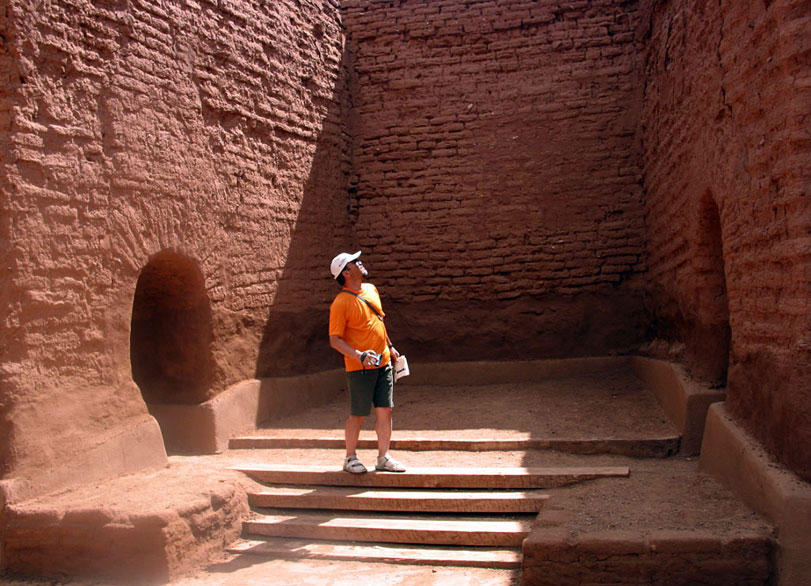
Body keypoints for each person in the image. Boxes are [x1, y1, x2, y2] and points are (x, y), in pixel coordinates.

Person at [328, 250, 406, 474]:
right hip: (359, 368)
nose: (360, 263)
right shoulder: (341, 303)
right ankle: (350, 458)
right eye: (355, 262)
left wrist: (389, 346)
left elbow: (378, 321)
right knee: (358, 413)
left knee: (385, 410)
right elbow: (335, 340)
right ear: (346, 272)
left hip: (383, 363)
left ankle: (383, 457)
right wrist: (358, 355)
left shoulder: (371, 289)